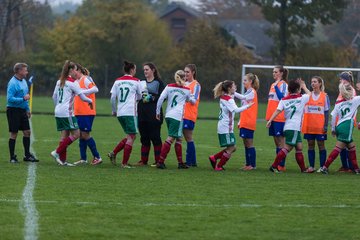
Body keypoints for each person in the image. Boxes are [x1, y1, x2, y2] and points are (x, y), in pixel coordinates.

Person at [50, 60, 93, 166]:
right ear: (71, 70)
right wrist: (90, 101)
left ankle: (63, 161)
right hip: (67, 112)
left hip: (58, 111)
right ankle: (57, 152)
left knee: (64, 135)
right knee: (77, 134)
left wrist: (58, 107)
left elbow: (54, 97)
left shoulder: (59, 81)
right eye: (75, 70)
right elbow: (83, 97)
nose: (76, 72)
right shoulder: (72, 83)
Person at [209, 80, 253, 171]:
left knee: (233, 147)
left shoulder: (226, 96)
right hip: (226, 127)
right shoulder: (228, 99)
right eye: (234, 86)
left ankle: (214, 158)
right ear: (229, 88)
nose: (236, 86)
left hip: (225, 126)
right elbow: (236, 110)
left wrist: (252, 93)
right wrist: (248, 106)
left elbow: (243, 97)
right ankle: (219, 166)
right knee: (232, 147)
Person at [155, 70, 196, 169]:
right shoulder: (186, 89)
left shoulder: (169, 86)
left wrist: (157, 112)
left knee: (179, 138)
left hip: (168, 115)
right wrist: (193, 98)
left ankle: (180, 163)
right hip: (177, 117)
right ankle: (160, 161)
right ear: (184, 78)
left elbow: (161, 98)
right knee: (171, 138)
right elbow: (192, 101)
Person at [267, 79, 309, 173]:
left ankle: (303, 169)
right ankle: (274, 166)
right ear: (298, 89)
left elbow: (277, 110)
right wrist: (304, 86)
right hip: (294, 127)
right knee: (287, 148)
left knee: (299, 147)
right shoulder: (302, 98)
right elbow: (310, 95)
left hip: (288, 126)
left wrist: (270, 120)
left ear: (288, 90)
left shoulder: (284, 100)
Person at [319, 83, 360, 174]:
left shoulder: (338, 103)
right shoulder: (355, 100)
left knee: (352, 148)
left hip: (339, 126)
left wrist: (333, 129)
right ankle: (325, 167)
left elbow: (333, 117)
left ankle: (357, 169)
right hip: (347, 126)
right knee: (337, 149)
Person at [108, 61, 141, 168]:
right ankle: (124, 163)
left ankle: (113, 153)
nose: (135, 71)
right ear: (131, 70)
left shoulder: (117, 81)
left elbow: (113, 98)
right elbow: (140, 96)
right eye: (135, 69)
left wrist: (114, 110)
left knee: (129, 136)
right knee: (132, 136)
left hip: (120, 112)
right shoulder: (136, 81)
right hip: (130, 112)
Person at [6, 62, 38, 163]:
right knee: (14, 133)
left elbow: (26, 97)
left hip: (22, 110)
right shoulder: (12, 83)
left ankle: (27, 155)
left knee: (27, 132)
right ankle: (12, 157)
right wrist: (23, 99)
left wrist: (27, 109)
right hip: (13, 110)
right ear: (19, 71)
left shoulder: (24, 81)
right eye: (25, 70)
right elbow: (10, 99)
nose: (27, 72)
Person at [136, 62, 165, 166]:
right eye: (144, 70)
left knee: (155, 137)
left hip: (154, 114)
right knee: (144, 138)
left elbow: (163, 97)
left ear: (153, 70)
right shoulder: (141, 82)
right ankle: (143, 161)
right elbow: (137, 96)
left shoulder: (159, 82)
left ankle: (158, 161)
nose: (145, 71)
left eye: (147, 69)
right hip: (142, 114)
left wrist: (151, 98)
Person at [73, 63, 102, 165]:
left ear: (79, 70)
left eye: (74, 70)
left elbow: (95, 89)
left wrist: (82, 92)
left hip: (86, 111)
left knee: (85, 134)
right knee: (81, 135)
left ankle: (97, 157)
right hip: (79, 112)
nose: (73, 72)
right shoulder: (76, 81)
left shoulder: (85, 79)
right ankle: (83, 158)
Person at [301, 76, 330, 173]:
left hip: (320, 126)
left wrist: (325, 126)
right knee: (310, 145)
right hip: (309, 125)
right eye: (312, 82)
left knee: (321, 145)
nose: (313, 83)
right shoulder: (307, 96)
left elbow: (326, 112)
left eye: (315, 82)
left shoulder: (324, 96)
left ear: (320, 83)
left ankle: (322, 167)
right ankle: (311, 167)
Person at [265, 65, 288, 171]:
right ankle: (277, 163)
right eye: (273, 72)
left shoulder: (283, 84)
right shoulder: (273, 85)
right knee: (276, 142)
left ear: (281, 73)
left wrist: (276, 86)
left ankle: (281, 165)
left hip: (279, 117)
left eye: (276, 72)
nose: (274, 73)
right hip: (272, 117)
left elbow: (282, 98)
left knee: (281, 142)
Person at [235, 73, 259, 171]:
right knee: (245, 143)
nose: (243, 82)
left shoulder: (252, 92)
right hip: (244, 121)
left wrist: (233, 92)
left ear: (250, 82)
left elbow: (243, 98)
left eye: (245, 80)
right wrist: (240, 121)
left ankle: (252, 165)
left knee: (249, 143)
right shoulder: (247, 92)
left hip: (249, 121)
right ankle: (248, 163)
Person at [335, 71, 356, 172]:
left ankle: (349, 167)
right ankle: (347, 166)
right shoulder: (343, 89)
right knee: (346, 144)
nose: (340, 80)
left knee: (345, 144)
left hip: (347, 121)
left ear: (345, 80)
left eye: (341, 79)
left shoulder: (350, 89)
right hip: (342, 121)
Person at [183, 64, 201, 167]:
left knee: (188, 137)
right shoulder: (184, 83)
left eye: (187, 72)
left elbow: (193, 101)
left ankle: (189, 161)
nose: (185, 74)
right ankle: (193, 161)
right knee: (186, 137)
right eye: (184, 72)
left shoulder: (196, 85)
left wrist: (186, 96)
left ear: (193, 72)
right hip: (182, 114)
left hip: (189, 115)